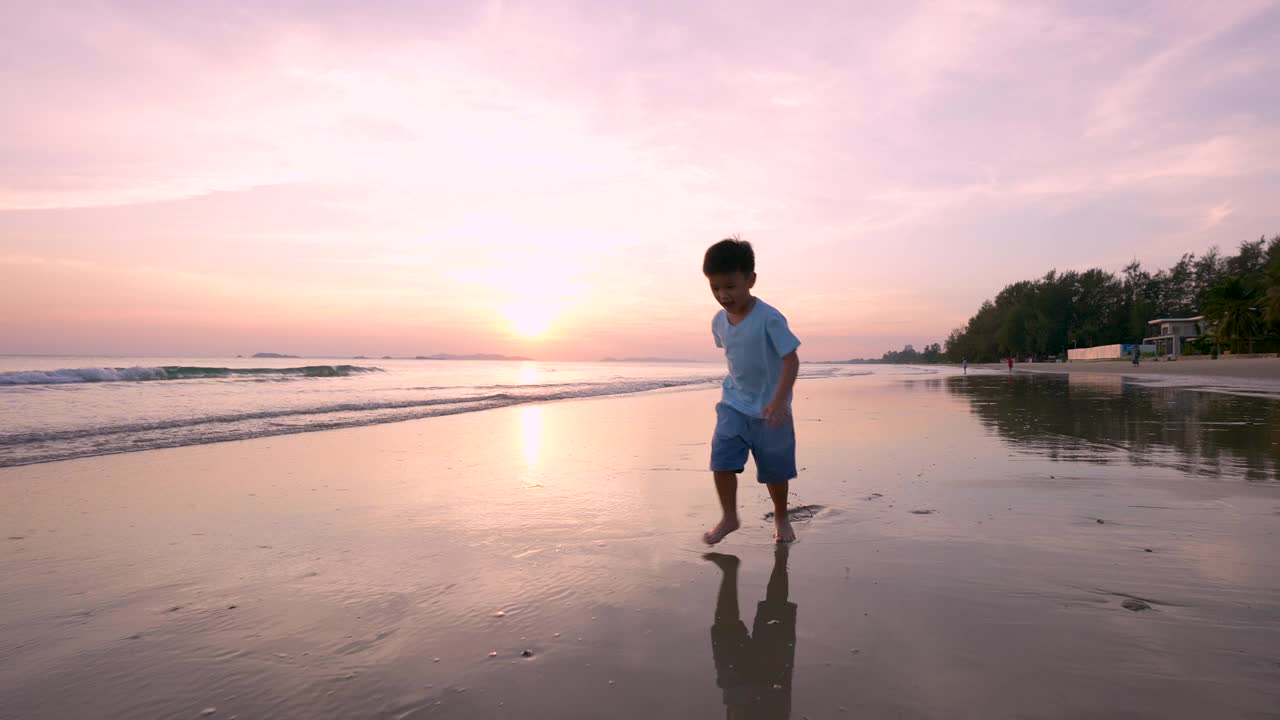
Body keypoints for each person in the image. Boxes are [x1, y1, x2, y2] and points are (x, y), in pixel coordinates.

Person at [702, 238, 801, 545]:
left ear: (750, 280)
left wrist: (780, 401)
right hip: (733, 404)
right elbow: (733, 355)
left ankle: (781, 517)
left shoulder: (769, 318)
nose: (723, 295)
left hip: (772, 409)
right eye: (715, 287)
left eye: (730, 286)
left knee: (775, 470)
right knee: (721, 460)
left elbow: (791, 359)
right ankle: (729, 517)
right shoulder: (719, 322)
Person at [705, 545, 796, 720]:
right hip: (770, 689)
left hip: (743, 690)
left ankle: (730, 570)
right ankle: (781, 558)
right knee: (775, 612)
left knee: (725, 630)